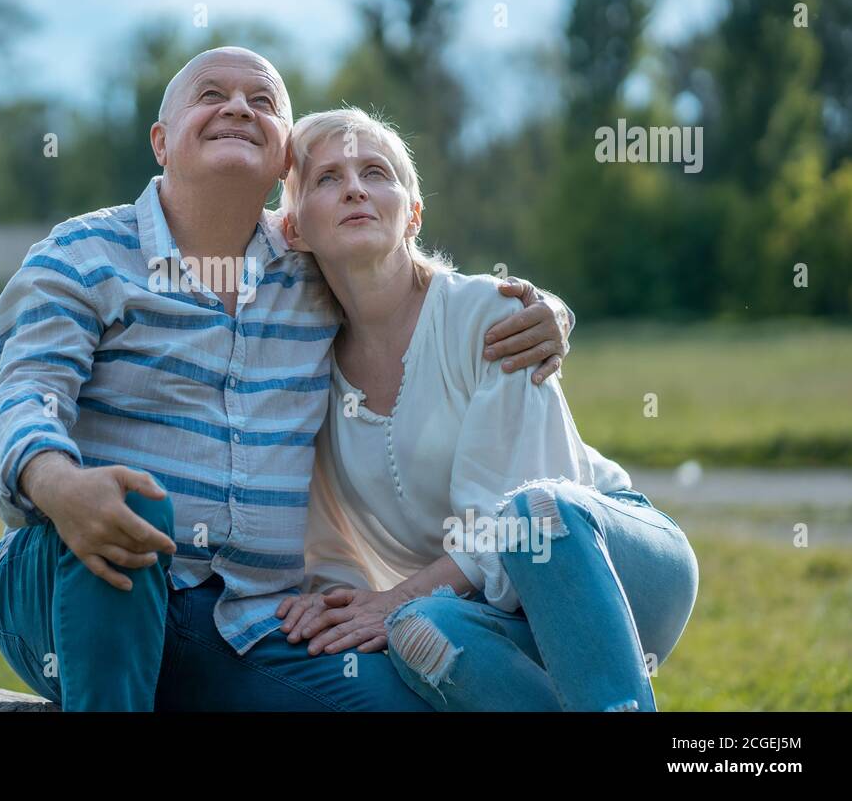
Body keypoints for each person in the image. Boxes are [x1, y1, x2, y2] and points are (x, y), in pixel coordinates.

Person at [0, 47, 572, 710]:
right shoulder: (83, 255)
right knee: (131, 513)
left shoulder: (312, 268)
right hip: (73, 581)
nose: (238, 107)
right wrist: (59, 484)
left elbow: (407, 280)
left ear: (283, 156)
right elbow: (26, 394)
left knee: (392, 705)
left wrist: (545, 309)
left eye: (262, 102)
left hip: (242, 621)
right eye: (211, 95)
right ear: (160, 142)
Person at [276, 107, 699, 711]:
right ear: (293, 228)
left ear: (413, 214)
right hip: (489, 611)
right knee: (417, 632)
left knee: (534, 513)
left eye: (376, 172)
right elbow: (336, 553)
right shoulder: (305, 366)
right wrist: (339, 603)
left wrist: (393, 596)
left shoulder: (491, 316)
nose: (354, 187)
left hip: (609, 568)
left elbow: (512, 518)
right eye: (326, 178)